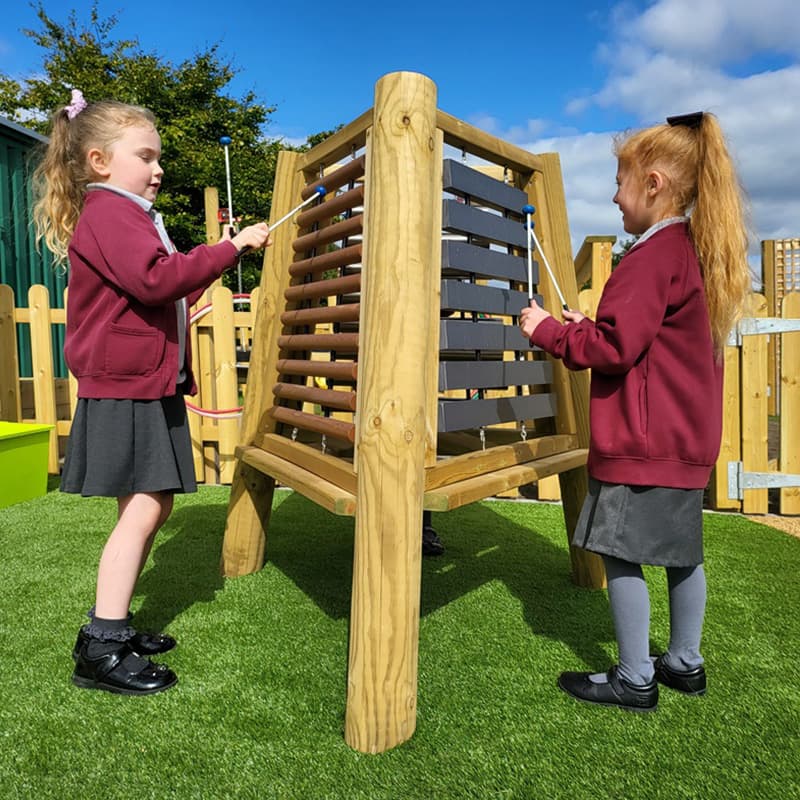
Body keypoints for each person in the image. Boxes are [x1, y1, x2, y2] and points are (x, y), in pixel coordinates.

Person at [33, 90, 273, 696]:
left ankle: (115, 624)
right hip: (125, 385)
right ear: (99, 161)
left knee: (149, 504)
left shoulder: (128, 215)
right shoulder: (111, 213)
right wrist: (232, 246)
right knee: (146, 507)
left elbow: (165, 285)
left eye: (158, 157)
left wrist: (216, 257)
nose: (159, 168)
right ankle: (101, 643)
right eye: (147, 156)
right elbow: (154, 280)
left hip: (144, 381)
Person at [519, 111, 750, 712]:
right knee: (682, 555)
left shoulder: (649, 257)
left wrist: (547, 330)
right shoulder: (691, 253)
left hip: (640, 444)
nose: (613, 195)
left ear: (653, 185)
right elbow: (644, 342)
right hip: (681, 441)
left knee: (618, 551)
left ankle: (633, 678)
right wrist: (589, 325)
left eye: (620, 181)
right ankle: (684, 664)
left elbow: (617, 350)